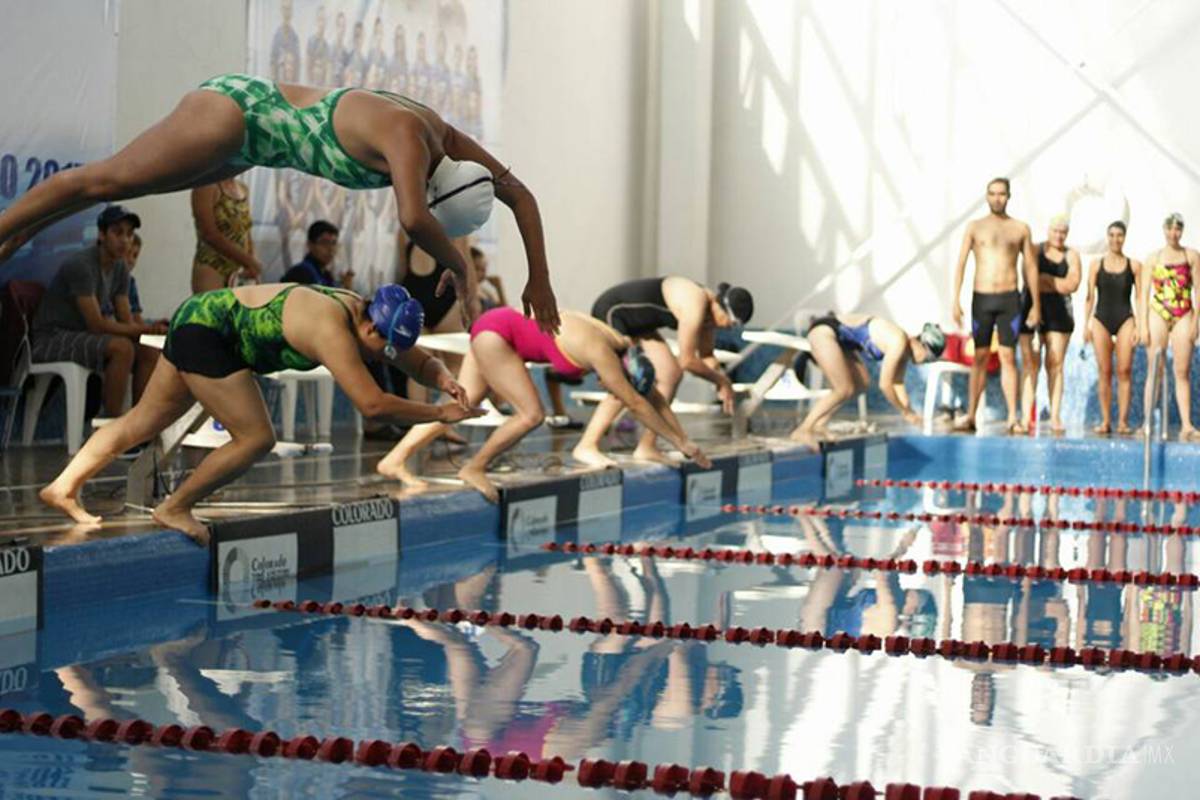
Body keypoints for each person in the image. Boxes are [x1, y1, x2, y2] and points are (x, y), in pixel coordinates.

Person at [0, 70, 560, 332]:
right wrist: (460, 267)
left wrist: (541, 277)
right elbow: (412, 218)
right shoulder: (410, 136)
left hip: (250, 149)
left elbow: (522, 195)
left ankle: (22, 230)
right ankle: (9, 224)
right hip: (237, 115)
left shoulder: (451, 141)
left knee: (128, 186)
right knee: (107, 181)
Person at [38, 283, 480, 544]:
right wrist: (439, 413)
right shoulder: (331, 328)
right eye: (385, 348)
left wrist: (440, 374)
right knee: (255, 438)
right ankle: (174, 507)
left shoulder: (364, 312)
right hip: (210, 333)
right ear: (369, 327)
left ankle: (61, 487)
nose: (388, 357)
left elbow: (415, 359)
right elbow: (373, 405)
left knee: (144, 420)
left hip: (199, 316)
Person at [376, 307, 712, 501]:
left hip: (496, 324)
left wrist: (684, 441)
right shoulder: (602, 353)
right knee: (531, 415)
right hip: (499, 336)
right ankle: (474, 467)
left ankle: (394, 460)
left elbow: (648, 395)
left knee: (462, 404)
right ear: (621, 368)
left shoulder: (621, 344)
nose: (605, 384)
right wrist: (680, 442)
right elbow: (636, 403)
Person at [573, 277, 752, 466]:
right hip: (613, 311)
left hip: (641, 325)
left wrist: (719, 379)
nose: (726, 327)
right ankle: (586, 445)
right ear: (720, 305)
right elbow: (688, 361)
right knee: (627, 383)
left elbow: (707, 356)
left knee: (671, 374)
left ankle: (647, 446)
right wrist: (722, 382)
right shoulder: (695, 303)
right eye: (730, 322)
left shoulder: (710, 317)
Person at [31, 206, 165, 418]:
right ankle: (111, 426)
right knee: (122, 349)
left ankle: (141, 425)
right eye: (117, 232)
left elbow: (126, 321)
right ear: (101, 235)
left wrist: (151, 331)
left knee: (148, 350)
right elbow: (96, 324)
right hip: (52, 337)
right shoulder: (82, 265)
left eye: (129, 234)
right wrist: (148, 328)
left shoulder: (120, 267)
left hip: (83, 335)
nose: (125, 240)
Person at [950, 178, 1040, 434]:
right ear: (987, 196)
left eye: (1002, 194)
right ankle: (970, 415)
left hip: (1009, 298)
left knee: (1008, 357)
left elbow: (1031, 267)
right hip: (982, 298)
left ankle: (1012, 416)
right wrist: (955, 300)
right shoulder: (974, 227)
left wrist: (1036, 306)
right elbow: (961, 263)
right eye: (992, 194)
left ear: (1008, 196)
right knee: (978, 357)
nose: (997, 198)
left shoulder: (1020, 228)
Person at [789, 313, 946, 441]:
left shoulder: (905, 351)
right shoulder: (898, 342)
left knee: (862, 384)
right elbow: (885, 385)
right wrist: (904, 412)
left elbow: (898, 383)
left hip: (843, 342)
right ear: (922, 344)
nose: (926, 363)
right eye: (929, 358)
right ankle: (803, 429)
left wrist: (910, 412)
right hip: (825, 331)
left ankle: (819, 424)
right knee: (843, 389)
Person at [1017, 215, 1082, 434]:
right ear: (1048, 230)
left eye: (1063, 231)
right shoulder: (1034, 250)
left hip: (1059, 315)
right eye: (1055, 230)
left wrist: (1043, 279)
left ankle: (1055, 416)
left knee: (1055, 365)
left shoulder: (1072, 255)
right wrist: (1055, 283)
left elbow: (1072, 284)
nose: (1059, 235)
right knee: (1030, 365)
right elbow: (1027, 279)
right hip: (1030, 310)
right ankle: (1026, 416)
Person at [1141, 212, 1200, 440]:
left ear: (1181, 231)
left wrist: (1196, 321)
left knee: (1182, 371)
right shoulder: (1153, 258)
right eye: (1170, 229)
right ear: (1164, 230)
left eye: (1177, 229)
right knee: (1154, 368)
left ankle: (1186, 423)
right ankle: (1147, 421)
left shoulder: (1191, 256)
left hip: (1183, 312)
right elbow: (1144, 293)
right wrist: (1142, 324)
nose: (1173, 233)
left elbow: (1198, 291)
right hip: (1158, 311)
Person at [1083, 221, 1142, 434]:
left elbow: (1140, 297)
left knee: (1124, 370)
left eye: (1119, 235)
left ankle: (1123, 422)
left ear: (1125, 238)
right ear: (1107, 237)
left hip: (1125, 318)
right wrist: (1085, 324)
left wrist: (1140, 326)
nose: (1115, 239)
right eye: (1112, 235)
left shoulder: (1134, 265)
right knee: (1104, 371)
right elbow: (1089, 296)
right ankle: (1106, 420)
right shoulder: (1096, 265)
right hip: (1101, 320)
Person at [191, 177, 258, 293]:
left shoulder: (242, 188)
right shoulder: (205, 187)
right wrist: (248, 261)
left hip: (240, 266)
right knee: (212, 309)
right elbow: (209, 234)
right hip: (213, 265)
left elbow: (246, 230)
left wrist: (252, 261)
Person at [282, 220, 353, 288]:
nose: (331, 248)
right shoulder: (302, 272)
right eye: (324, 242)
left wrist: (346, 288)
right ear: (310, 245)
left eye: (333, 243)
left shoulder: (325, 274)